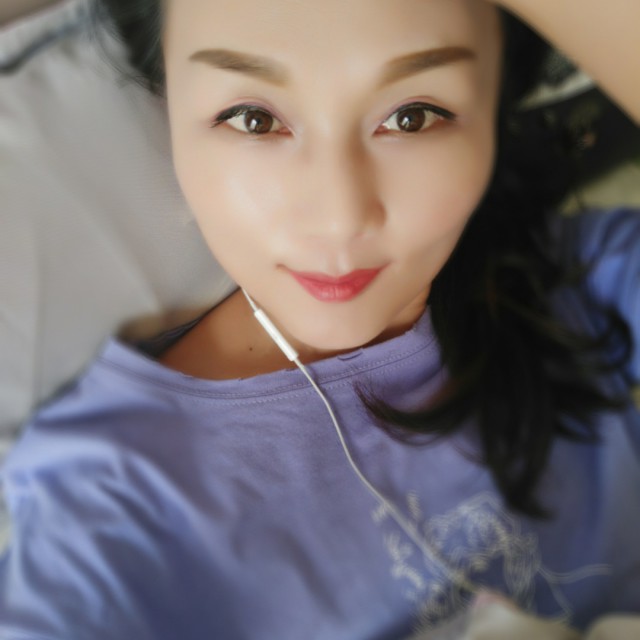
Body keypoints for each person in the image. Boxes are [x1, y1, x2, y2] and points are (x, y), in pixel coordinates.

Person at [0, 0, 638, 638]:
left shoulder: (573, 281)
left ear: (492, 112)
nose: (339, 217)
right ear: (168, 116)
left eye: (412, 116)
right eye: (253, 119)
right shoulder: (105, 517)